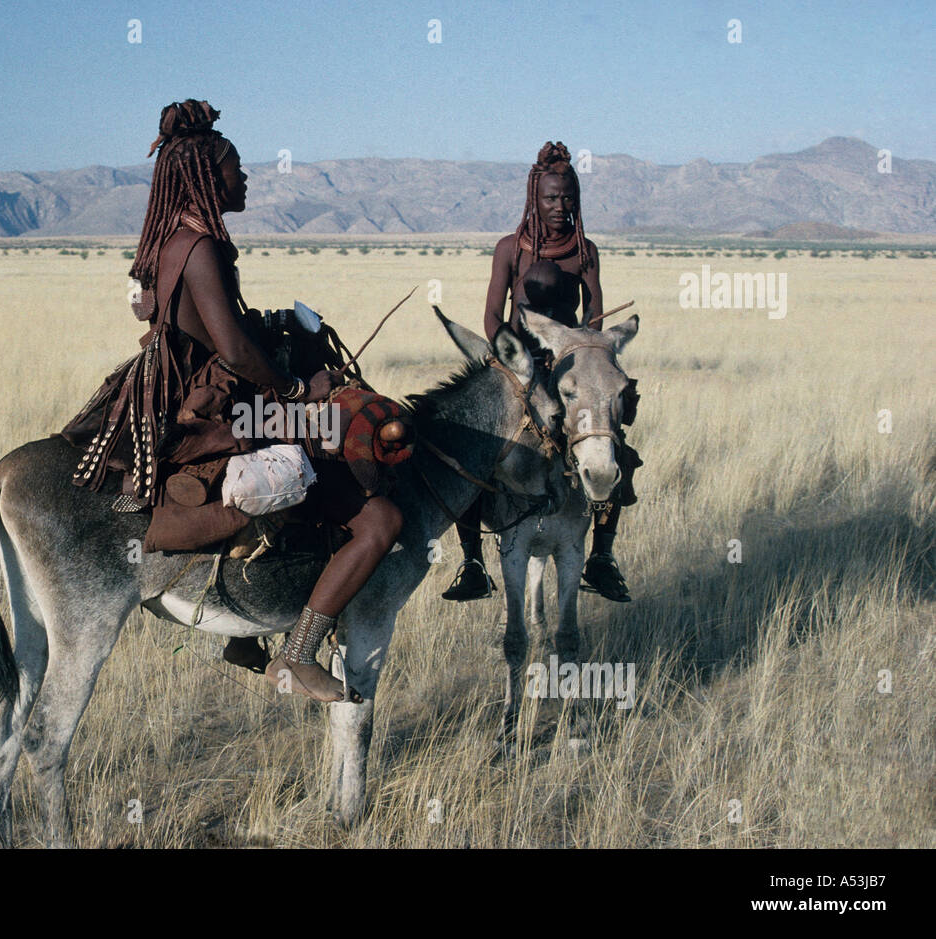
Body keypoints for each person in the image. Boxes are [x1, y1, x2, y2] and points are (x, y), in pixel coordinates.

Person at [66, 100, 402, 702]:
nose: (242, 178)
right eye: (234, 168)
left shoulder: (175, 241)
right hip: (219, 410)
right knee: (378, 517)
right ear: (203, 175)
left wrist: (269, 328)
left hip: (181, 394)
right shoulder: (201, 246)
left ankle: (248, 631)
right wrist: (301, 390)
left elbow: (211, 328)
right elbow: (236, 353)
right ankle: (296, 653)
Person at [441, 141, 635, 603]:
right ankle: (471, 562)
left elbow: (595, 315)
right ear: (534, 198)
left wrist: (576, 355)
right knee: (473, 446)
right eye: (551, 198)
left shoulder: (585, 251)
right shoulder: (510, 248)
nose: (560, 206)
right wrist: (510, 357)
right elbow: (492, 313)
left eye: (568, 198)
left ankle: (601, 556)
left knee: (612, 441)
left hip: (567, 361)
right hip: (515, 363)